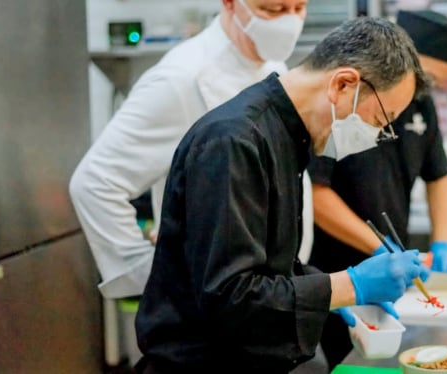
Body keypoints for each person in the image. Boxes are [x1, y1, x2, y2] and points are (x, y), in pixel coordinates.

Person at [133, 16, 429, 373]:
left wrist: (328, 290)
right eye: (382, 119)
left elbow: (267, 263)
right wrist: (346, 286)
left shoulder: (289, 138)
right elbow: (232, 297)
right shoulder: (234, 142)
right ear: (344, 83)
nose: (378, 135)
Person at [69, 0, 313, 299]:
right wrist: (151, 275)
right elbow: (94, 183)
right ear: (230, 3)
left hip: (267, 296)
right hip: (213, 307)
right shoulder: (181, 79)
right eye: (272, 10)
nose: (288, 22)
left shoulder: (272, 65)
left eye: (299, 7)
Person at [307, 10, 447, 369]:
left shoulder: (421, 106)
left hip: (392, 275)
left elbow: (438, 175)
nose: (429, 90)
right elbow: (315, 195)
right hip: (331, 275)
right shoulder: (344, 106)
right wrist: (378, 247)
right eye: (429, 78)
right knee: (335, 358)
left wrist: (444, 242)